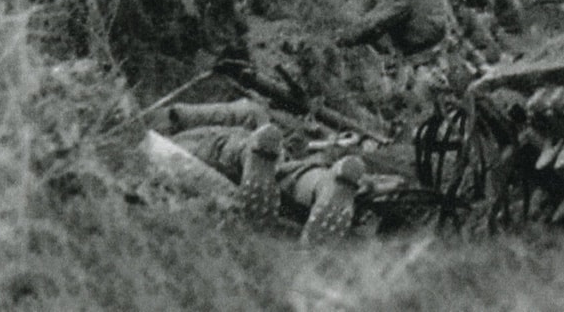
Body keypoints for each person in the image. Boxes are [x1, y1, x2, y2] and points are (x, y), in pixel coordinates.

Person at [165, 100, 404, 242]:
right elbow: (245, 111)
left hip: (225, 147)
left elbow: (176, 116)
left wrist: (179, 114)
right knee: (292, 172)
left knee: (246, 150)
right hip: (250, 149)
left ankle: (262, 158)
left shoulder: (157, 135)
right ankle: (326, 184)